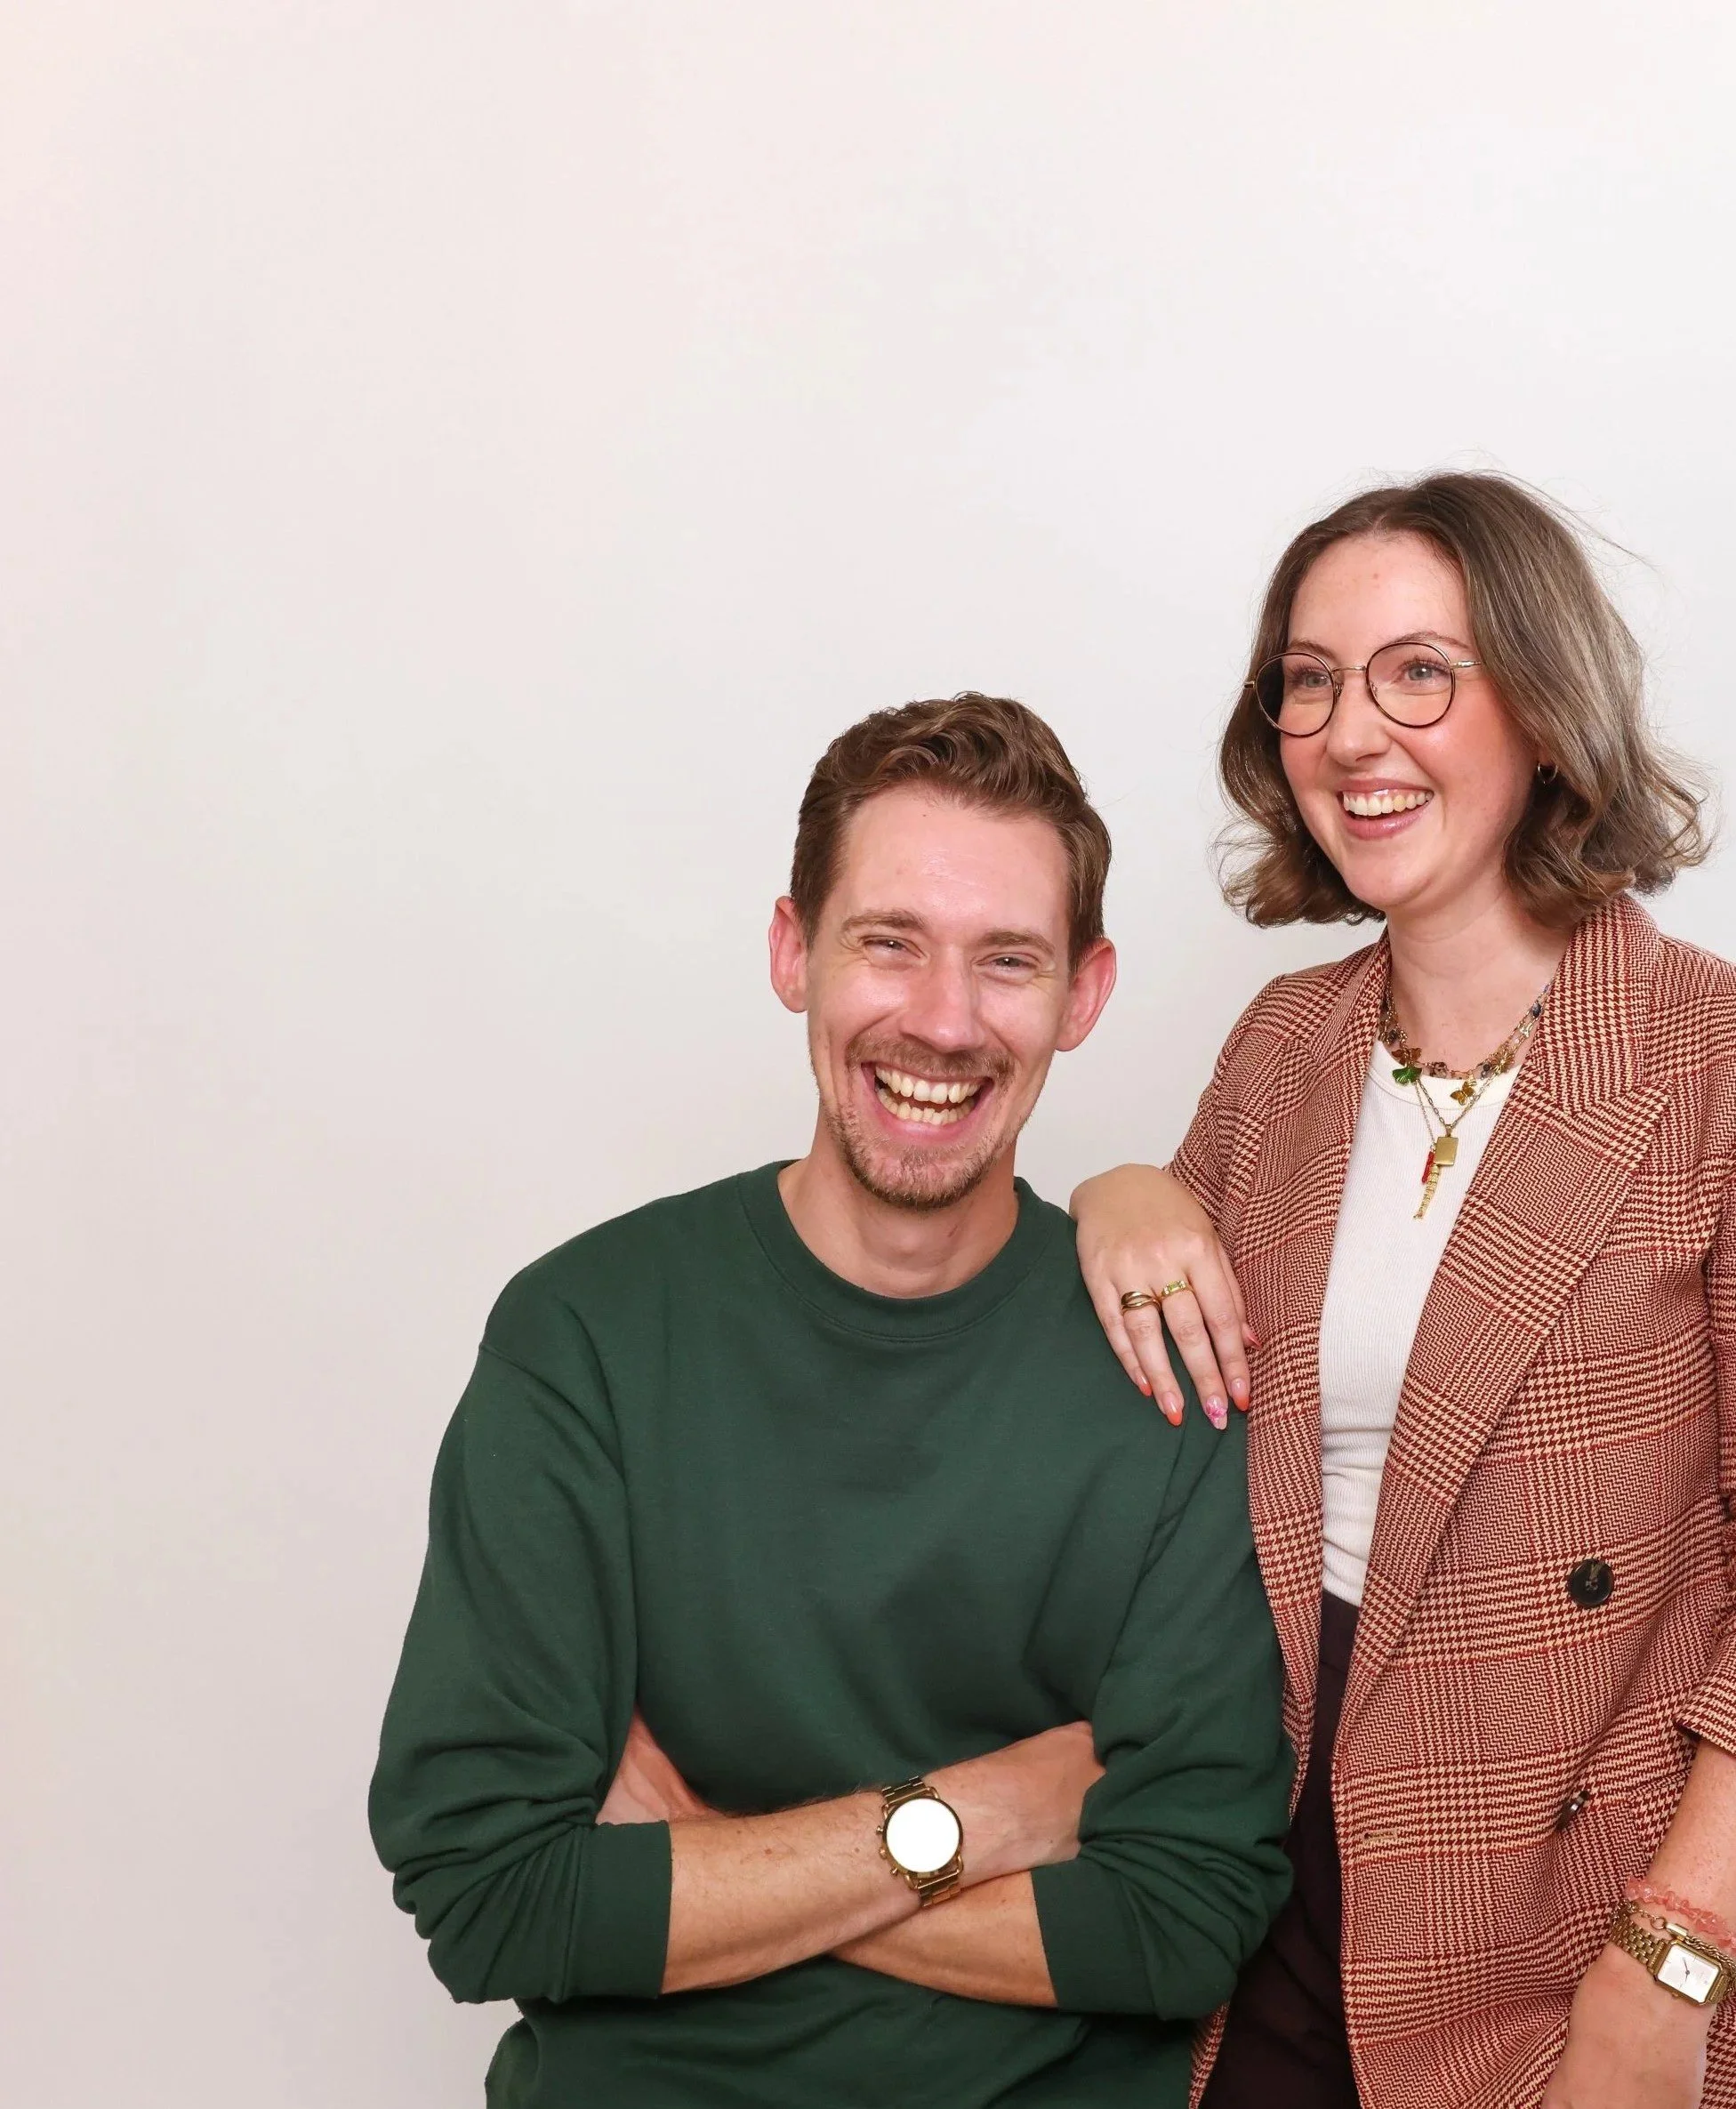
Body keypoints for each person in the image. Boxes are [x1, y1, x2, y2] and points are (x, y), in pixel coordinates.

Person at [1070, 475, 1736, 2109]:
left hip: (1601, 1891)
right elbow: (1180, 1404)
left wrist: (1671, 1953)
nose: (1349, 732)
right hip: (1277, 1850)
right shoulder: (1282, 1055)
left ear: (1543, 709)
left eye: (1418, 671)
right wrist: (1118, 1195)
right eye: (1309, 680)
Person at [368, 694, 1294, 2109]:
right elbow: (491, 1892)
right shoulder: (585, 1337)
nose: (941, 1019)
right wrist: (961, 1822)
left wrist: (716, 1863)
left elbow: (1180, 1923)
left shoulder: (1167, 1366)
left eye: (1006, 960)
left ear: (1084, 994)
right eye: (888, 941)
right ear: (794, 950)